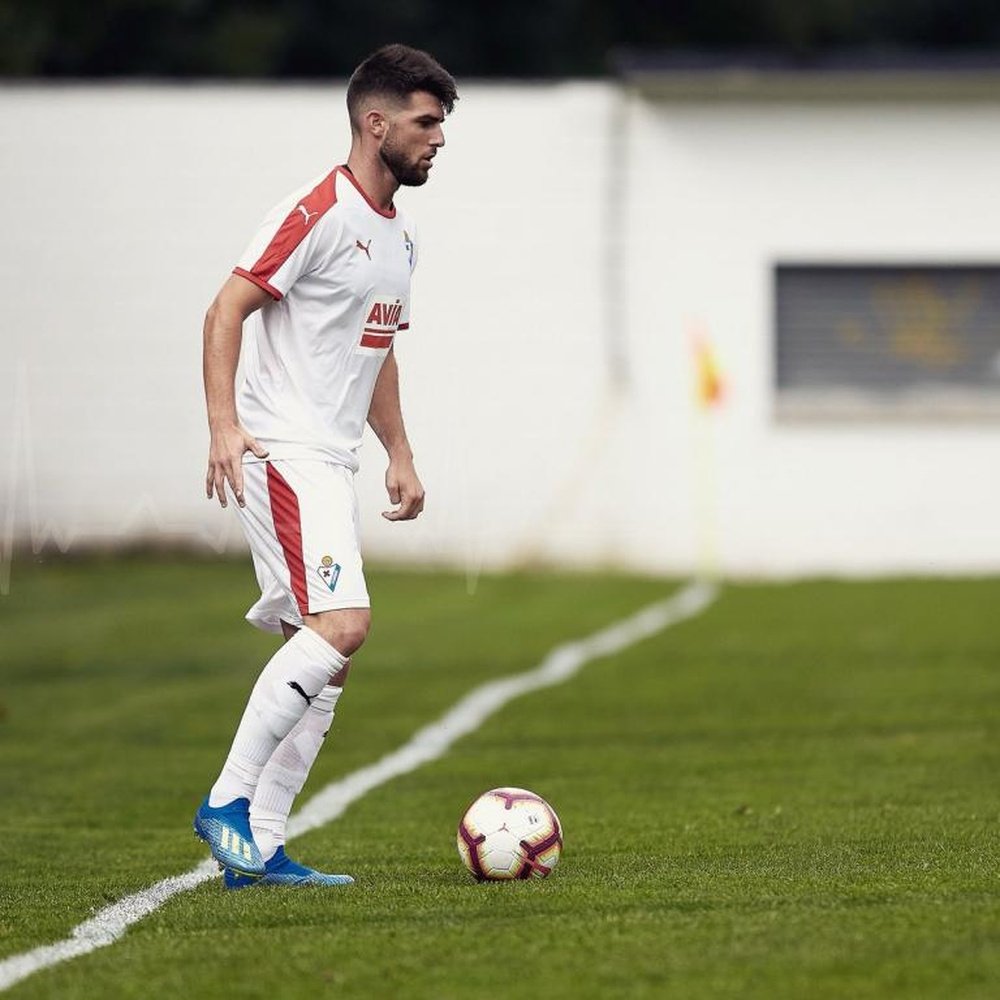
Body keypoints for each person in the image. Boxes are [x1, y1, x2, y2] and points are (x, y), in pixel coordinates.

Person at [193, 44, 458, 888]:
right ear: (374, 123)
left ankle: (259, 850)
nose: (437, 139)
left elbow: (376, 351)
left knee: (325, 654)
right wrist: (224, 425)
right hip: (286, 451)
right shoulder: (315, 212)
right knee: (341, 626)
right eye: (425, 122)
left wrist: (401, 454)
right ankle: (228, 805)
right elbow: (226, 307)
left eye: (441, 124)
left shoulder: (400, 239)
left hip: (332, 460)